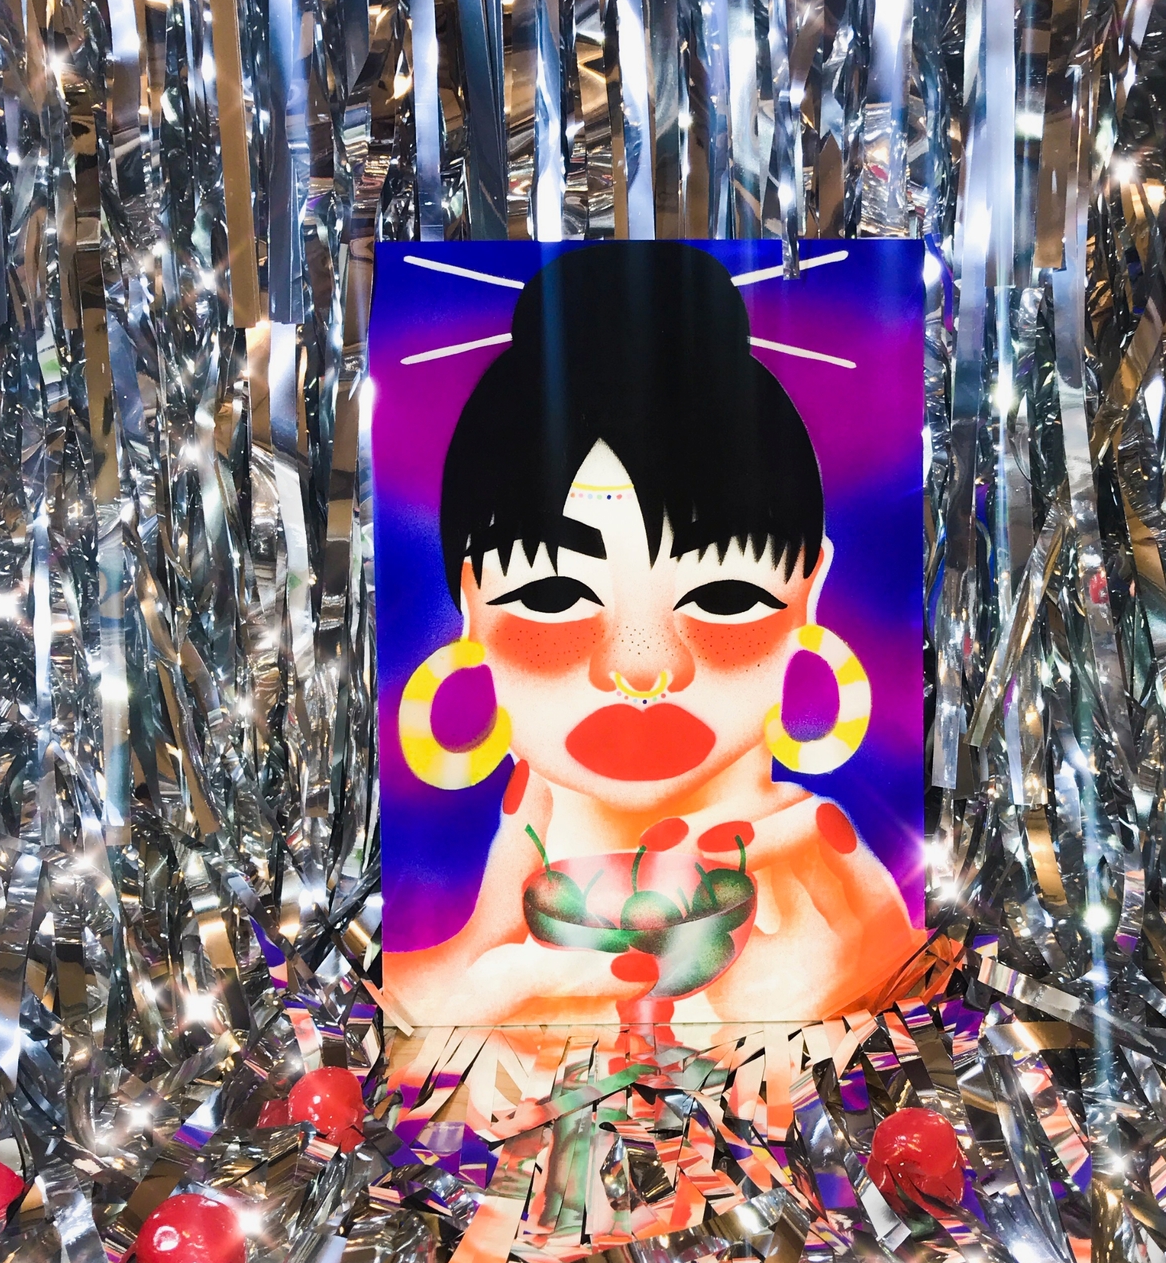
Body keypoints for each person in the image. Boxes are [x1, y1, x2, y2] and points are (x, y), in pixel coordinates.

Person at [382, 243, 920, 1025]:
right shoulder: (392, 1000)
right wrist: (418, 1027)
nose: (641, 669)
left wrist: (890, 1022)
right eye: (555, 595)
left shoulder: (894, 966)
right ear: (470, 606)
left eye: (725, 597)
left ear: (808, 595)